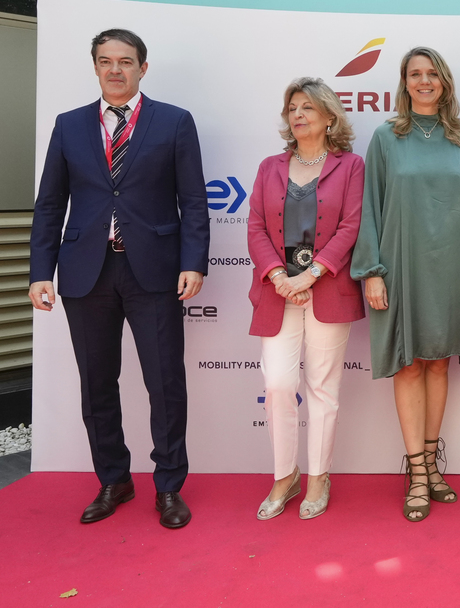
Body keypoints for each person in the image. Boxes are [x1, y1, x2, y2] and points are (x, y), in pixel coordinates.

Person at [28, 28, 209, 529]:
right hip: (86, 272)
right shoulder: (69, 125)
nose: (115, 69)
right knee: (97, 384)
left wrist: (193, 262)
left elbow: (194, 201)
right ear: (94, 66)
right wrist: (40, 271)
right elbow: (50, 204)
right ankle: (114, 479)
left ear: (142, 68)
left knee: (165, 383)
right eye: (105, 60)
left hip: (154, 270)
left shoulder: (174, 121)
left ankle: (168, 486)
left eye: (125, 61)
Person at [351, 46, 460, 522]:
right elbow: (370, 207)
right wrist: (372, 270)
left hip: (451, 266)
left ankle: (432, 467)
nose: (424, 81)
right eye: (415, 74)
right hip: (401, 264)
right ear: (404, 82)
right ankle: (416, 473)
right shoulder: (386, 137)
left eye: (432, 73)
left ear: (444, 81)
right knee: (410, 366)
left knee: (438, 364)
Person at [247, 78, 365, 520]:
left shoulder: (351, 166)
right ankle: (285, 476)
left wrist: (312, 274)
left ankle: (318, 477)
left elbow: (351, 226)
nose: (297, 114)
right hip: (277, 291)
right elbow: (255, 226)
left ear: (329, 117)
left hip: (328, 289)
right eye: (292, 108)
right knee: (278, 385)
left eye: (307, 108)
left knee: (322, 388)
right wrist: (280, 276)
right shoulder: (269, 167)